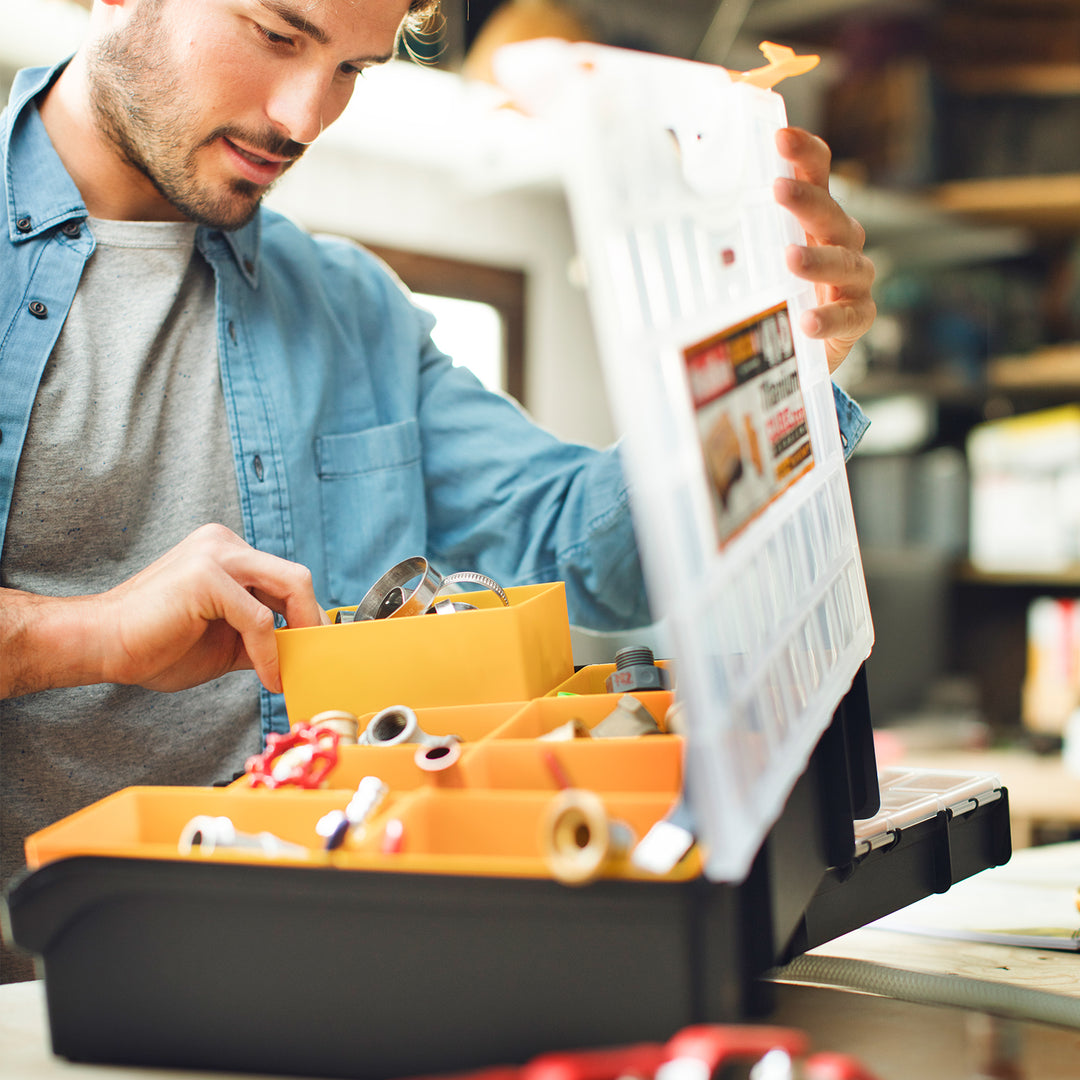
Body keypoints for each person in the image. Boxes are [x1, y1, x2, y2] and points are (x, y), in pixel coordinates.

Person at [0, 0, 876, 981]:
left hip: (318, 970)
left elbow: (587, 554)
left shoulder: (355, 311)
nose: (303, 118)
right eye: (279, 35)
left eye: (353, 69)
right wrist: (82, 635)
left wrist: (780, 362)